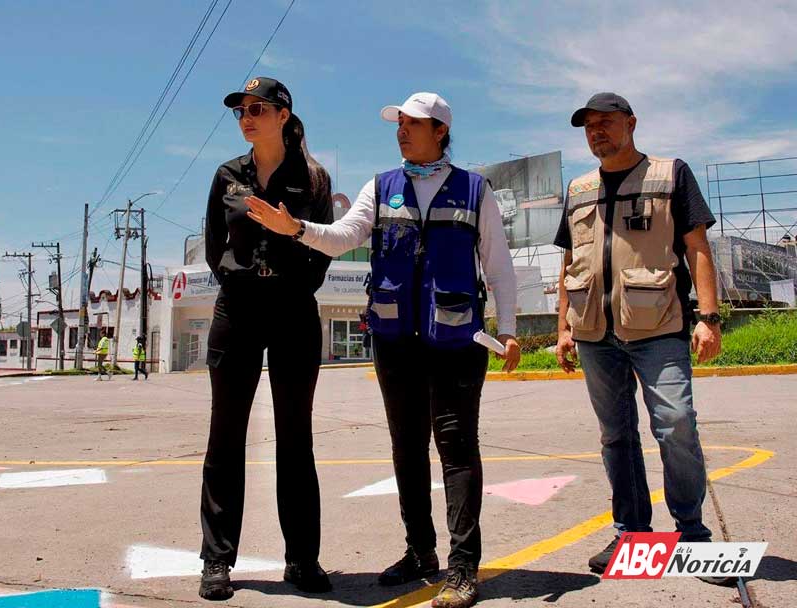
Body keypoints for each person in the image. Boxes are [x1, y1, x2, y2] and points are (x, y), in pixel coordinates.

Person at [246, 91, 520, 608]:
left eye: (412, 123)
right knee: (407, 448)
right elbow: (346, 235)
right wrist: (297, 230)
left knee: (457, 450)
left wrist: (507, 328)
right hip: (396, 340)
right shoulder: (382, 186)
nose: (401, 130)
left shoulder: (474, 189)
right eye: (399, 123)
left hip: (457, 340)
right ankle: (420, 552)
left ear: (440, 130)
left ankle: (464, 568)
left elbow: (499, 265)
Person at [554, 93, 726, 580]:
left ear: (631, 123)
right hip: (593, 333)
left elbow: (697, 246)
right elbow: (568, 261)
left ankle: (692, 535)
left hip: (659, 328)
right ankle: (633, 533)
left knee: (676, 423)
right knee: (616, 436)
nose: (596, 132)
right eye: (589, 126)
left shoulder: (670, 174)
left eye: (606, 122)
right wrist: (563, 328)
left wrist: (708, 317)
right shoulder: (578, 187)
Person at [197, 76, 333, 601]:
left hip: (293, 310)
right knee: (225, 436)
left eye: (258, 108)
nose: (246, 117)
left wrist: (285, 250)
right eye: (240, 111)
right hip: (238, 309)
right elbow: (215, 244)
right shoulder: (227, 176)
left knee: (295, 438)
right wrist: (239, 277)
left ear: (283, 116)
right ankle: (216, 559)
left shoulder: (313, 178)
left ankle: (302, 560)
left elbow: (321, 248)